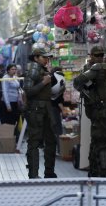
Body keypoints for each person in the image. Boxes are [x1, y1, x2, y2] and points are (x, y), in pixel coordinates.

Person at [73, 47, 106, 177]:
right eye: (97, 55)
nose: (100, 57)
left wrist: (85, 90)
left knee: (100, 142)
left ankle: (104, 172)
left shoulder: (98, 68)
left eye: (102, 54)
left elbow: (77, 82)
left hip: (101, 112)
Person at [23, 47, 57, 179]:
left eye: (47, 57)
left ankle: (48, 171)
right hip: (36, 109)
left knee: (50, 140)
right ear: (36, 57)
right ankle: (33, 174)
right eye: (44, 57)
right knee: (34, 142)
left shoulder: (41, 69)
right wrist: (44, 82)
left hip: (45, 108)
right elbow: (28, 91)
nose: (47, 60)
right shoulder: (33, 68)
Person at [50, 67, 66, 155]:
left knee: (51, 130)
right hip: (54, 108)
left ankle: (52, 149)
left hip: (48, 108)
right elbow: (58, 100)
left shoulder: (51, 80)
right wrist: (63, 110)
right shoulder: (59, 81)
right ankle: (60, 150)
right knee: (58, 130)